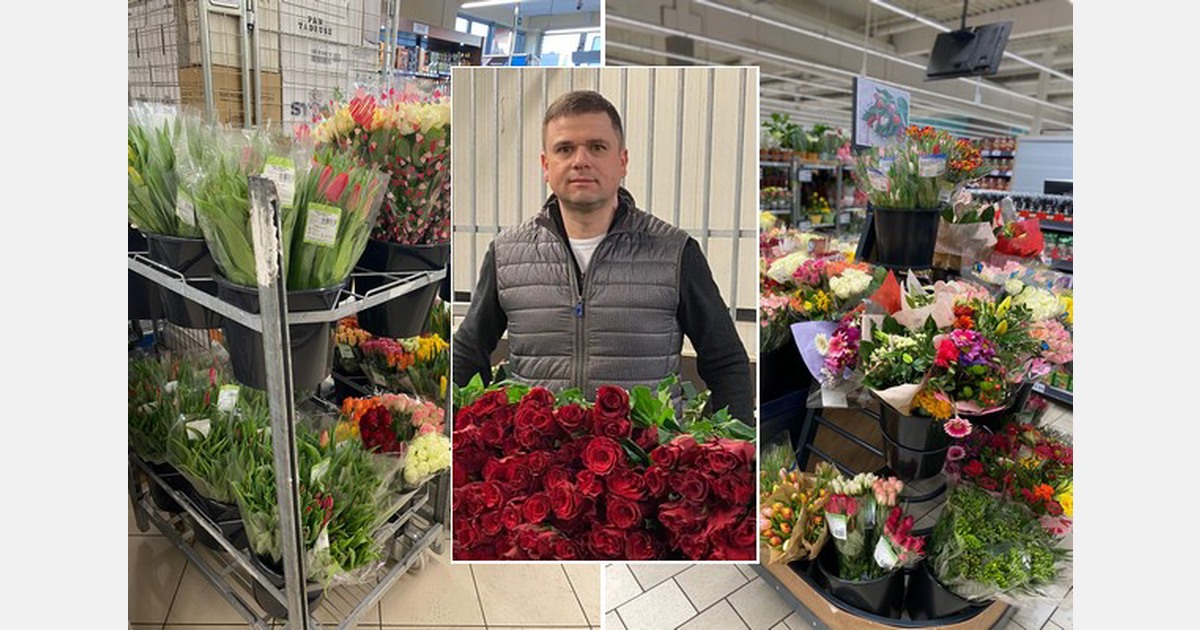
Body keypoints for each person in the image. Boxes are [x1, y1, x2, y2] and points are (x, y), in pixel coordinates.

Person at [452, 90, 754, 422]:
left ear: (622, 162)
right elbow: (466, 355)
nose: (580, 160)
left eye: (597, 147)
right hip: (539, 453)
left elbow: (726, 364)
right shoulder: (508, 254)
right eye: (565, 149)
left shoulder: (674, 252)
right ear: (546, 165)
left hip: (645, 453)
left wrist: (724, 445)